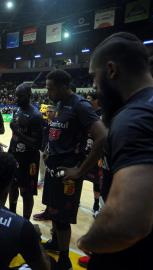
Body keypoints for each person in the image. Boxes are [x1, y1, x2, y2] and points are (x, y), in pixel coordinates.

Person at [77, 32, 153, 270]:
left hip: (136, 255)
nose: (94, 86)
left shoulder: (137, 118)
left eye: (94, 77)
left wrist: (88, 240)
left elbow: (127, 224)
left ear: (111, 70)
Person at [42, 70, 107, 270]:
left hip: (68, 173)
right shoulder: (61, 104)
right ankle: (55, 242)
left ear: (63, 86)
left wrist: (79, 171)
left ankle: (64, 259)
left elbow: (102, 137)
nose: (48, 91)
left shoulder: (80, 105)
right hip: (54, 169)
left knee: (62, 219)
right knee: (53, 213)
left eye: (51, 88)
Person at [8, 83, 43, 220]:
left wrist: (17, 131)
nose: (16, 99)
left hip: (28, 161)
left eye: (19, 96)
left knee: (26, 192)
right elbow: (15, 136)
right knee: (12, 187)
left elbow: (37, 144)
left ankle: (25, 221)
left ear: (28, 96)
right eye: (15, 95)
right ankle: (11, 214)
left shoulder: (36, 115)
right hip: (14, 156)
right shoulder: (17, 111)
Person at [33, 105, 56, 221]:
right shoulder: (44, 123)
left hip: (53, 153)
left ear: (55, 112)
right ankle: (42, 180)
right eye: (47, 111)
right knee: (42, 167)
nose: (48, 113)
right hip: (43, 149)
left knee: (50, 171)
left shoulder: (57, 124)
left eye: (51, 111)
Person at [85, 92, 103, 216]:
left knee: (97, 181)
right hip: (85, 150)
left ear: (96, 101)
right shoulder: (86, 113)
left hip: (98, 153)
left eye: (89, 99)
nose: (87, 101)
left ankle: (97, 203)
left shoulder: (103, 115)